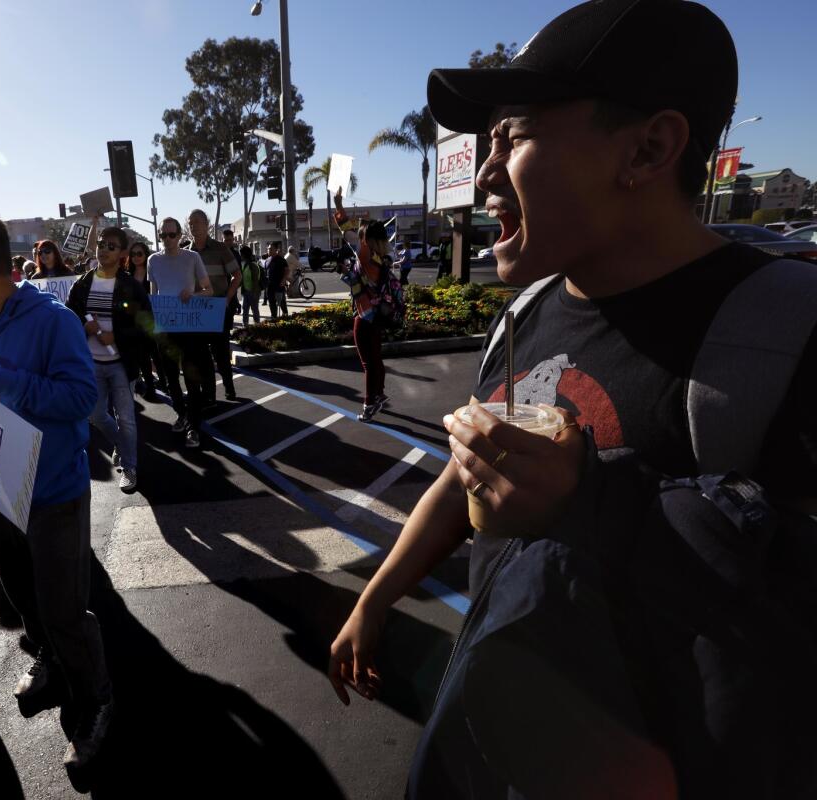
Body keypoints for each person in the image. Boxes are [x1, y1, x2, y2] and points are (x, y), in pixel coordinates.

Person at [330, 1, 816, 796]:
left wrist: (590, 500)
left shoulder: (790, 336)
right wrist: (377, 599)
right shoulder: (525, 314)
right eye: (487, 144)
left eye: (513, 137)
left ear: (649, 147)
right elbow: (467, 478)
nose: (485, 173)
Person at [0, 211, 111, 771]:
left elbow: (82, 399)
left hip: (55, 496)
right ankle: (53, 667)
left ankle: (96, 703)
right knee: (27, 604)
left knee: (64, 612)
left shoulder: (51, 320)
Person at [67, 226, 153, 494]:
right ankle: (122, 444)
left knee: (126, 418)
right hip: (91, 363)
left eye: (111, 246)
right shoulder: (82, 284)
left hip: (121, 363)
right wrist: (84, 325)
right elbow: (70, 316)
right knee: (94, 414)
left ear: (123, 253)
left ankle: (129, 467)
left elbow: (145, 324)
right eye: (101, 244)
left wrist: (116, 335)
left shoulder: (130, 286)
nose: (103, 249)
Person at [334, 189, 405, 422]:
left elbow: (347, 232)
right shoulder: (385, 257)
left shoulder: (365, 257)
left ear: (366, 239)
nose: (358, 238)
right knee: (376, 359)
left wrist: (338, 204)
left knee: (368, 363)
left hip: (365, 317)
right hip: (378, 316)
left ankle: (369, 404)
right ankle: (380, 395)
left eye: (361, 236)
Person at [147, 217, 213, 449]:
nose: (167, 239)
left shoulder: (192, 257)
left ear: (180, 235)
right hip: (165, 328)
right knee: (170, 377)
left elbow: (209, 289)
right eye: (163, 235)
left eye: (171, 235)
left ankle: (194, 426)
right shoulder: (152, 260)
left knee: (192, 378)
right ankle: (182, 412)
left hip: (190, 326)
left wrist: (193, 295)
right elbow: (154, 294)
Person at [187, 209, 240, 402]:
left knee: (221, 353)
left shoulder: (220, 248)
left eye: (198, 222)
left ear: (207, 224)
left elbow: (237, 276)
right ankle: (208, 394)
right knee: (201, 355)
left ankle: (229, 386)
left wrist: (226, 299)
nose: (194, 226)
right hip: (196, 311)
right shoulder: (186, 252)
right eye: (191, 223)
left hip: (219, 308)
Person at [125, 241, 160, 401]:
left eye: (140, 254)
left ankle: (164, 382)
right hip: (134, 322)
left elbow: (158, 295)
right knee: (143, 357)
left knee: (156, 353)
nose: (136, 257)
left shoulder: (152, 271)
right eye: (133, 254)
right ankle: (150, 388)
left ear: (145, 255)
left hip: (152, 320)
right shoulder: (127, 275)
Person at [264, 242, 290, 320]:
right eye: (268, 249)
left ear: (276, 249)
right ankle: (274, 316)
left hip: (279, 285)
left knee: (281, 302)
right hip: (269, 285)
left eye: (271, 249)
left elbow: (287, 270)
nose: (269, 250)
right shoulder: (267, 260)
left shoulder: (281, 260)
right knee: (271, 302)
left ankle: (285, 315)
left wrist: (283, 280)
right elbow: (266, 271)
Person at [239, 244, 262, 326]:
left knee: (254, 310)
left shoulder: (253, 265)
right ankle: (245, 326)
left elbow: (255, 281)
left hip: (253, 292)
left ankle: (257, 326)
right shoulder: (245, 265)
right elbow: (242, 279)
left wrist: (255, 293)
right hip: (246, 292)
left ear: (244, 255)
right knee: (245, 309)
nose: (240, 256)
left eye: (241, 254)